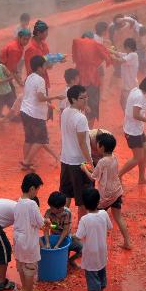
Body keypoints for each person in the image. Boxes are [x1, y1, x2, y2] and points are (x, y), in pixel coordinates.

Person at [19, 55, 64, 171]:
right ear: (39, 67)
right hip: (35, 114)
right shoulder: (40, 80)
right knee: (41, 139)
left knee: (29, 139)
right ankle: (27, 161)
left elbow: (31, 95)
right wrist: (56, 97)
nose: (46, 68)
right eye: (44, 66)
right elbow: (40, 97)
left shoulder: (29, 77)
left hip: (25, 111)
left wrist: (47, 104)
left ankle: (27, 162)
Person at [118, 75, 146, 184]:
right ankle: (118, 175)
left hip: (137, 129)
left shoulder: (136, 90)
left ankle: (141, 178)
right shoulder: (140, 97)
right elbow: (136, 115)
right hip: (133, 131)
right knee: (137, 158)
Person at [59, 84, 94, 218]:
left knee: (66, 194)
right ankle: (81, 229)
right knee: (83, 200)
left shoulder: (66, 112)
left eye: (86, 97)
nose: (85, 100)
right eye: (82, 98)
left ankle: (60, 225)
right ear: (73, 99)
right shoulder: (81, 118)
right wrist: (90, 162)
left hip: (66, 159)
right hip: (79, 162)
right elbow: (82, 143)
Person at [76, 188, 112, 291]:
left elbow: (79, 236)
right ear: (98, 202)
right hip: (102, 249)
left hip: (91, 252)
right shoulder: (104, 213)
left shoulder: (84, 220)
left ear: (84, 204)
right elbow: (109, 227)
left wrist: (73, 236)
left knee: (92, 276)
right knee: (101, 271)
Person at [14, 172, 45, 291]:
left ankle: (23, 289)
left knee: (21, 264)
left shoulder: (19, 202)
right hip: (29, 240)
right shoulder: (32, 204)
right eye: (37, 189)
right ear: (32, 188)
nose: (37, 193)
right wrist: (46, 222)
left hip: (18, 239)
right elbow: (40, 223)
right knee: (30, 267)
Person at [71, 32, 113, 127]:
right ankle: (88, 129)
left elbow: (74, 59)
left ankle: (80, 128)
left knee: (79, 102)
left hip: (79, 77)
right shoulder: (95, 44)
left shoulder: (77, 44)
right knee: (92, 105)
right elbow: (107, 58)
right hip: (92, 78)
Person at [42, 191, 83, 266]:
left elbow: (65, 230)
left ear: (60, 208)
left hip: (66, 237)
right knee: (60, 261)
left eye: (52, 208)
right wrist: (47, 243)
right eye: (50, 206)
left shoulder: (67, 213)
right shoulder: (48, 211)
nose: (50, 208)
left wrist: (57, 245)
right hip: (54, 236)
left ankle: (71, 260)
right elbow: (46, 228)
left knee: (82, 250)